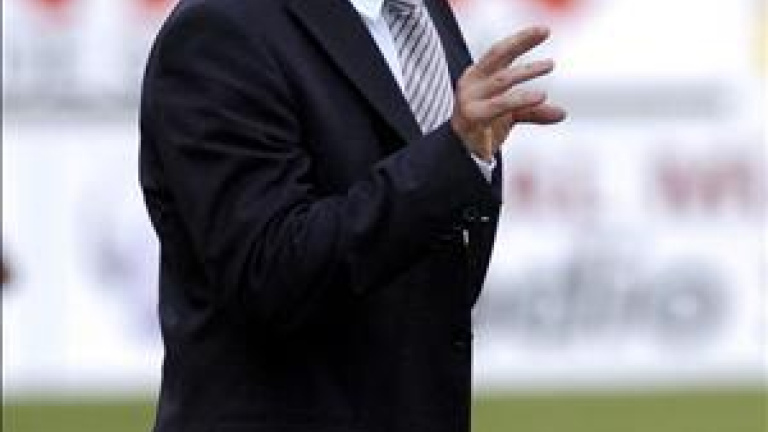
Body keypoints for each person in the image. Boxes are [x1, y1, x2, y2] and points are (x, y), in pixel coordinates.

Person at [139, 0, 564, 431]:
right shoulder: (223, 25)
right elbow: (267, 268)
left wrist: (466, 158)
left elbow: (441, 258)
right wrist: (452, 159)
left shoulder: (420, 10)